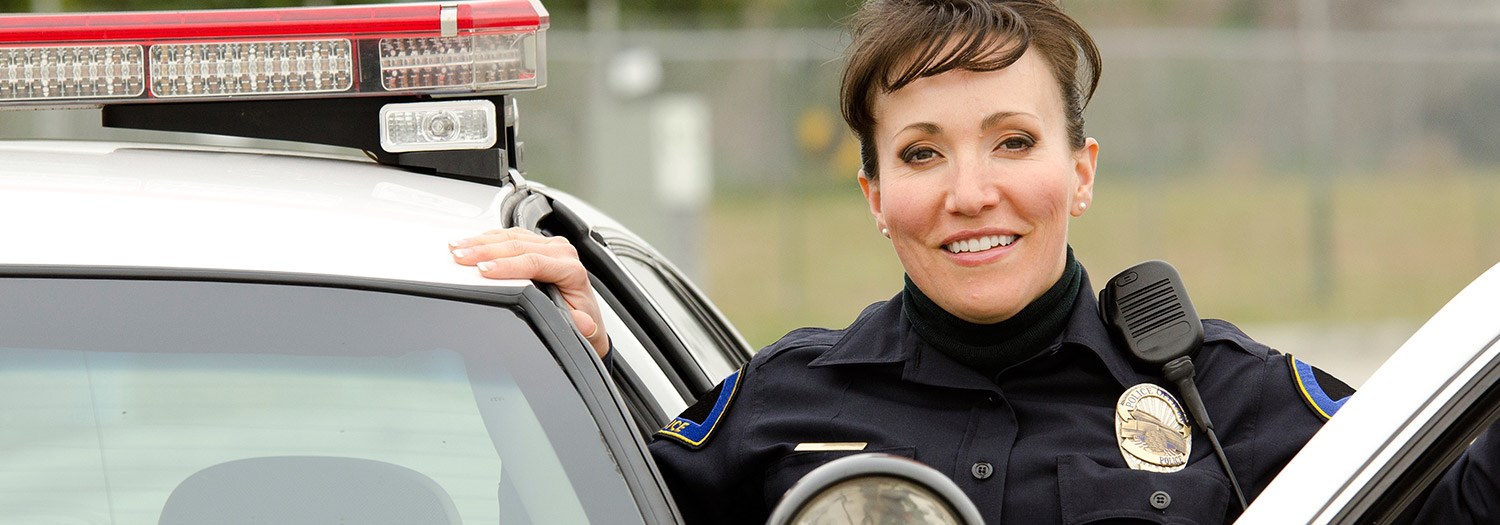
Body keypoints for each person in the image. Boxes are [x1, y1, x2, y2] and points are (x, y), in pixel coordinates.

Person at [449, 0, 1497, 522]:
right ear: (874, 197)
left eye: (1012, 140)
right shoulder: (778, 406)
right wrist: (560, 383)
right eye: (920, 153)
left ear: (1079, 171)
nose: (969, 192)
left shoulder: (1235, 405)